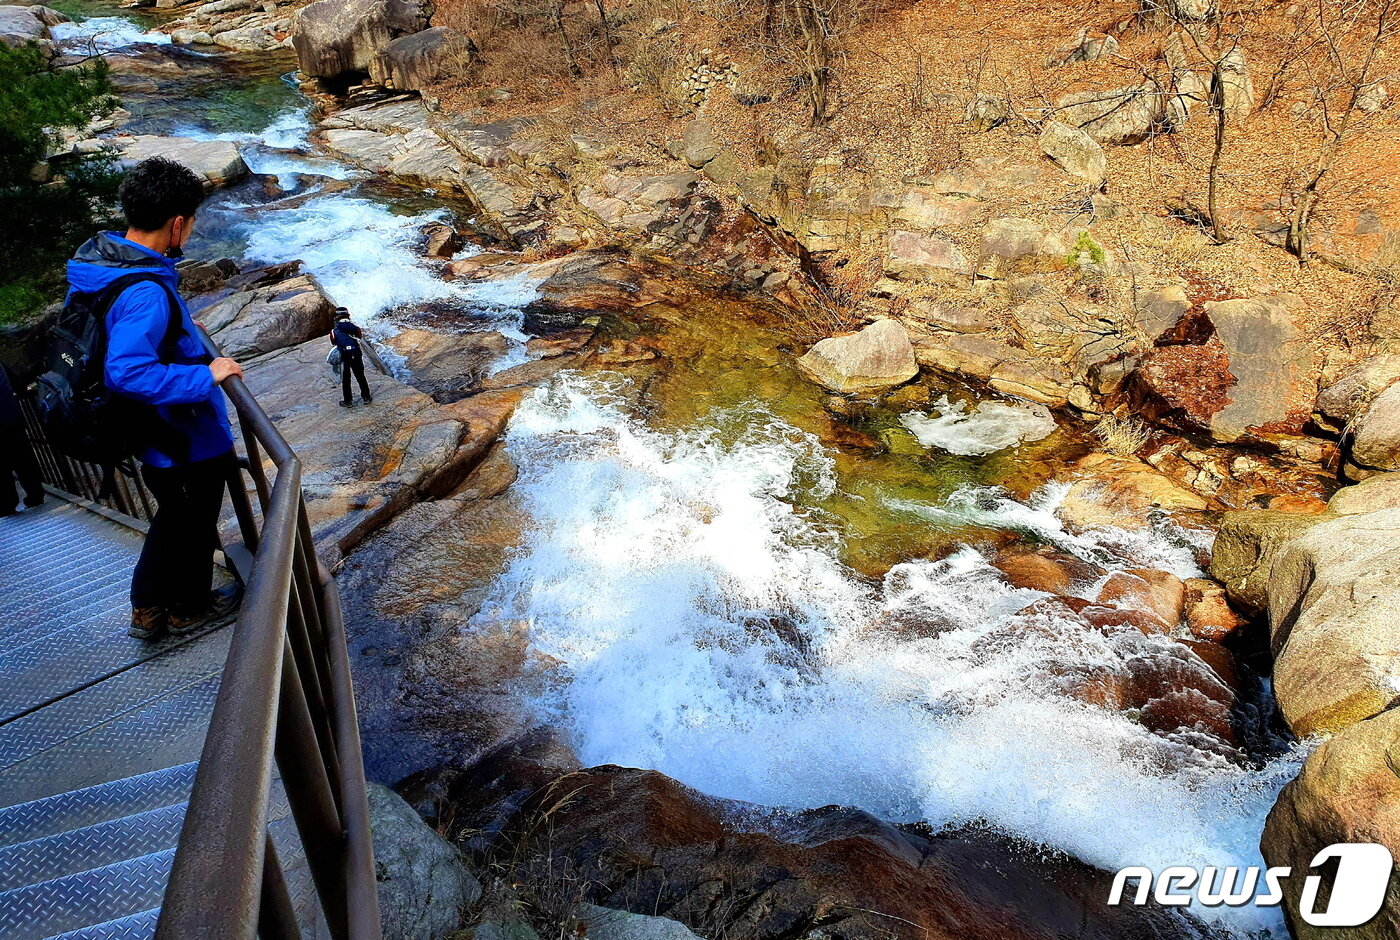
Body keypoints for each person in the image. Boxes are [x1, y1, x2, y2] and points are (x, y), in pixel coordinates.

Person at [67, 156, 245, 640]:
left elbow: (116, 333)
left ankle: (151, 608)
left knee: (175, 518)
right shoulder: (144, 289)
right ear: (178, 224)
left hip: (149, 432)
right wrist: (204, 375)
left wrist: (184, 334)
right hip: (179, 434)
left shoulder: (106, 262)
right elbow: (126, 369)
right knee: (187, 519)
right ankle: (182, 609)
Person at [0, 362, 44, 516]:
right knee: (23, 458)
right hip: (10, 418)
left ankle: (6, 505)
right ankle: (36, 494)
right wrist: (25, 390)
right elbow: (16, 383)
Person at [330, 307, 372, 407]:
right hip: (356, 353)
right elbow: (360, 337)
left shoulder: (334, 331)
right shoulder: (356, 328)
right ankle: (366, 397)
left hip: (344, 355)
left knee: (346, 378)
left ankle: (348, 401)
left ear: (337, 318)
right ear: (348, 316)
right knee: (360, 376)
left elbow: (333, 342)